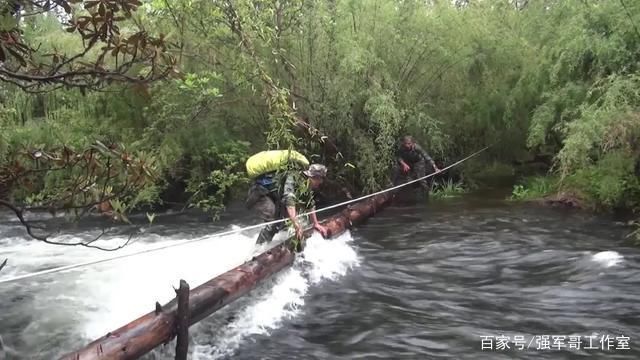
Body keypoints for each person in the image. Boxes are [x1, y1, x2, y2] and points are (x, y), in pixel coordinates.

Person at [245, 150, 329, 244]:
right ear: (314, 177)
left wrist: (316, 224)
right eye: (320, 179)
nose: (321, 183)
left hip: (273, 195)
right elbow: (289, 200)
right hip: (260, 194)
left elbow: (309, 203)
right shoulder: (293, 177)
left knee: (285, 222)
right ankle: (259, 249)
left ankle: (283, 245)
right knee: (273, 222)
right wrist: (297, 225)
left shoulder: (305, 184)